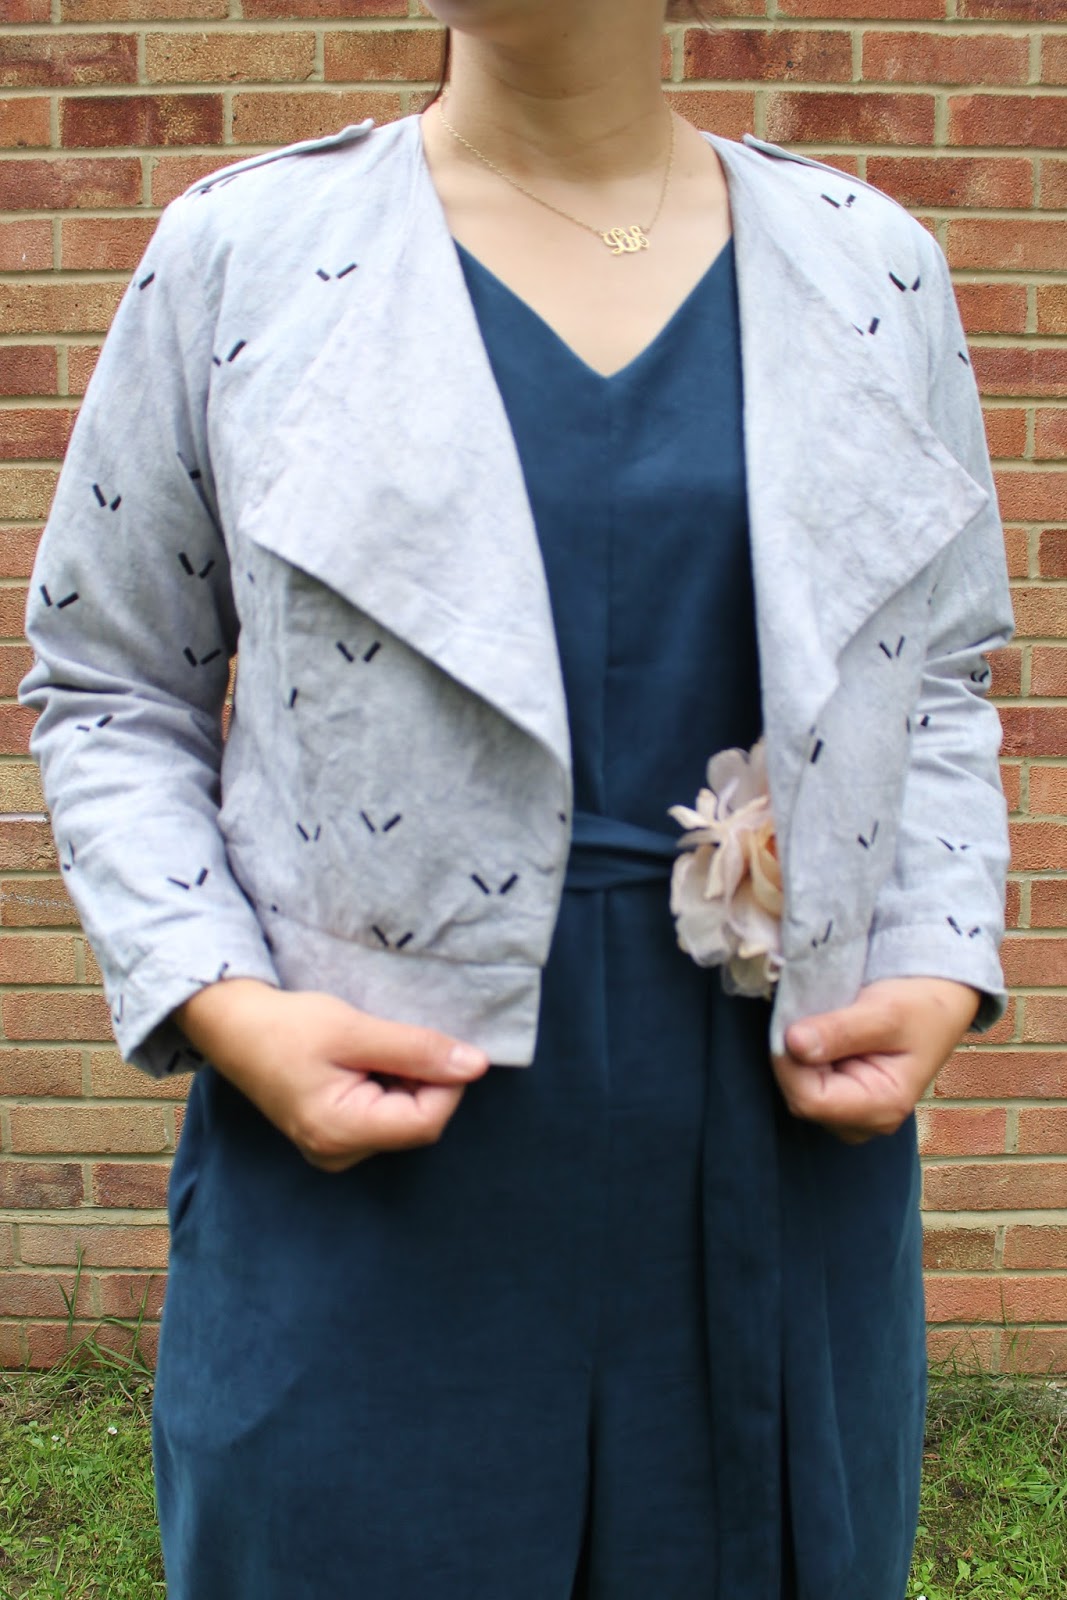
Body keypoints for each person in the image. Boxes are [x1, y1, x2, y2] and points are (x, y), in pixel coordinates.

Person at [18, 1, 1015, 1596]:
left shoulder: (869, 266)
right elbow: (108, 680)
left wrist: (935, 952)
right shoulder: (243, 257)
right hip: (370, 1158)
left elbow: (942, 667)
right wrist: (223, 1003)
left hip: (774, 1149)